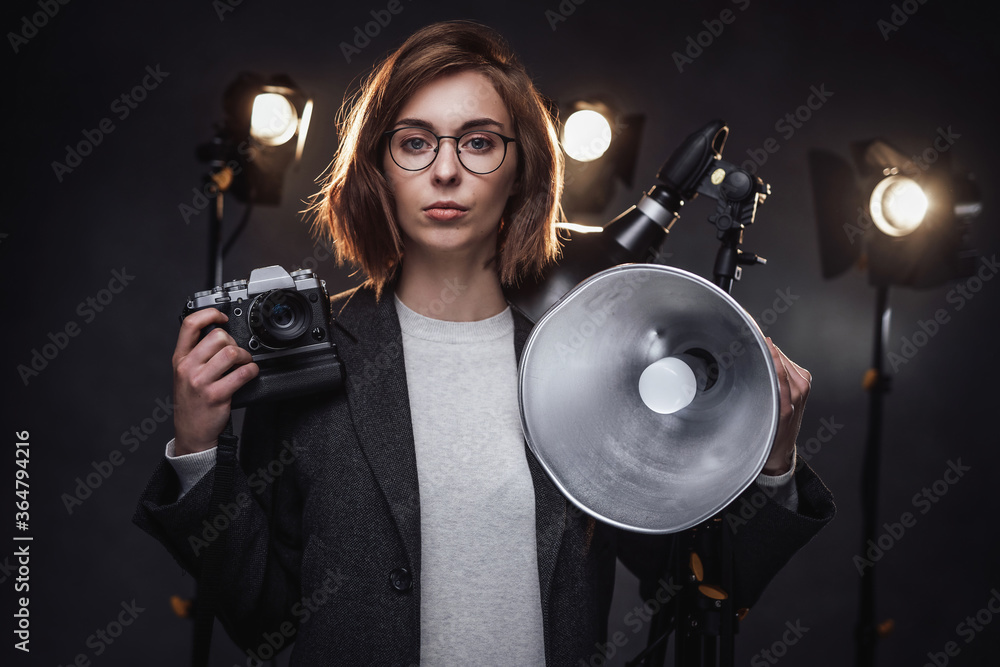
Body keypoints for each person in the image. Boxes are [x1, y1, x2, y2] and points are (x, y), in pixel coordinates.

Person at [134, 20, 834, 666]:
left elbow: (699, 585)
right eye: (415, 142)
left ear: (521, 168)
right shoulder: (310, 355)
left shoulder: (591, 356)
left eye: (477, 141)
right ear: (379, 167)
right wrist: (198, 454)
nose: (445, 171)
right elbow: (264, 617)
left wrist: (771, 460)